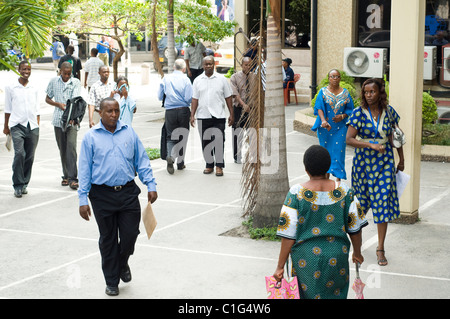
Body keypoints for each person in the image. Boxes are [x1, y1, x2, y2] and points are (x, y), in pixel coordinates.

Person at [78, 97, 158, 296]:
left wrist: (151, 184)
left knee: (131, 234)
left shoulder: (128, 132)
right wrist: (82, 199)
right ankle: (111, 281)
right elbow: (84, 170)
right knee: (108, 239)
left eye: (116, 111)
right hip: (101, 195)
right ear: (100, 113)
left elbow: (142, 160)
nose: (113, 115)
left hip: (127, 192)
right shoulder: (91, 137)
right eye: (109, 111)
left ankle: (122, 263)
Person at [273, 145, 367, 299]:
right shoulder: (345, 192)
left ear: (306, 169)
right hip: (337, 257)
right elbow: (355, 229)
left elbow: (288, 235)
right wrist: (357, 253)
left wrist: (279, 266)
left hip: (305, 259)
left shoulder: (295, 194)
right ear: (328, 168)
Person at [346, 78, 405, 266]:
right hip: (363, 164)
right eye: (366, 92)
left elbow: (395, 137)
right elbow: (349, 138)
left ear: (380, 92)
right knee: (361, 205)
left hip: (385, 163)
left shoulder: (389, 112)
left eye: (372, 91)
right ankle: (357, 246)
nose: (369, 95)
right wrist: (369, 144)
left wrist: (401, 159)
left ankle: (380, 248)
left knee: (382, 204)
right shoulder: (358, 113)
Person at [190, 56, 233, 176]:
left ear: (214, 64)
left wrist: (231, 114)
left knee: (219, 141)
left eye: (210, 64)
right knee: (206, 142)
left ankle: (219, 166)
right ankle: (209, 164)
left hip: (218, 115)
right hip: (203, 116)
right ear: (202, 65)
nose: (208, 66)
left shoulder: (222, 79)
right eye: (206, 64)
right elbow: (195, 99)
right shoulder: (197, 80)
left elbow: (228, 97)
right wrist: (192, 115)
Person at [3, 60, 40, 198]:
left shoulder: (34, 87)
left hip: (32, 126)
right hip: (17, 125)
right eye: (24, 69)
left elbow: (37, 108)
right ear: (19, 70)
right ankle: (17, 185)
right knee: (19, 154)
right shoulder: (11, 87)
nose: (26, 72)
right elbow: (7, 108)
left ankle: (25, 183)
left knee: (29, 156)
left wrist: (37, 125)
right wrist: (6, 126)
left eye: (29, 69)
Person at [311, 69, 354, 181]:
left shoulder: (345, 93)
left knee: (339, 152)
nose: (335, 79)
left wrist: (343, 116)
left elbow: (351, 109)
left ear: (340, 78)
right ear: (328, 78)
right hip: (326, 128)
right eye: (332, 76)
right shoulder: (323, 91)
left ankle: (338, 183)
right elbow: (319, 107)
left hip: (340, 128)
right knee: (325, 153)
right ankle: (325, 179)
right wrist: (323, 120)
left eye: (337, 76)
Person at [45, 62, 81, 190]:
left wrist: (73, 117)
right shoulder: (54, 82)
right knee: (63, 148)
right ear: (60, 71)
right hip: (58, 120)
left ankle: (73, 178)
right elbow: (47, 98)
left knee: (71, 147)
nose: (66, 76)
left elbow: (76, 101)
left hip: (71, 121)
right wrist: (58, 104)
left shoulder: (75, 82)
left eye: (69, 73)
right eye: (64, 73)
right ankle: (65, 175)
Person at [158, 59, 193, 174]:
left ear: (174, 67)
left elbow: (159, 96)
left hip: (170, 111)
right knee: (182, 136)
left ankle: (170, 156)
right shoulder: (186, 80)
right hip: (183, 110)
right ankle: (180, 163)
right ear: (184, 69)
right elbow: (189, 98)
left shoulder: (166, 79)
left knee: (170, 136)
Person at [230, 57, 255, 163]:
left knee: (252, 133)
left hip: (252, 110)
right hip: (239, 109)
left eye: (250, 65)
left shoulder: (255, 77)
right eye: (246, 65)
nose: (248, 67)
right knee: (237, 133)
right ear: (241, 65)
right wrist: (244, 105)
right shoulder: (235, 77)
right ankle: (237, 156)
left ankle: (253, 155)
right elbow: (235, 94)